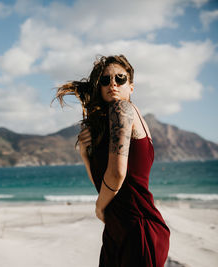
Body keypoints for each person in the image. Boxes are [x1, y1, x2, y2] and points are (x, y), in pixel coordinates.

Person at [55, 55, 170, 266]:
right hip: (117, 230)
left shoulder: (122, 109)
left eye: (120, 78)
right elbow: (103, 181)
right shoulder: (109, 122)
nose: (113, 84)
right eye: (106, 80)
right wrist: (84, 153)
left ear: (131, 87)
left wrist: (99, 208)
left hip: (138, 229)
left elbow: (117, 174)